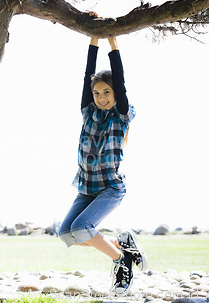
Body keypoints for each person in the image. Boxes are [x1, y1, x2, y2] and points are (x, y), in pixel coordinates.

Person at [58, 35, 147, 296]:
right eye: (97, 93)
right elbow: (88, 74)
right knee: (66, 234)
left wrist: (112, 42)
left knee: (81, 228)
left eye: (106, 92)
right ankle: (123, 244)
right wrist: (92, 39)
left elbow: (119, 79)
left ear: (116, 93)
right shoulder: (88, 111)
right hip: (86, 188)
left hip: (110, 188)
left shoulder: (121, 116)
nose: (101, 97)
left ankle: (121, 261)